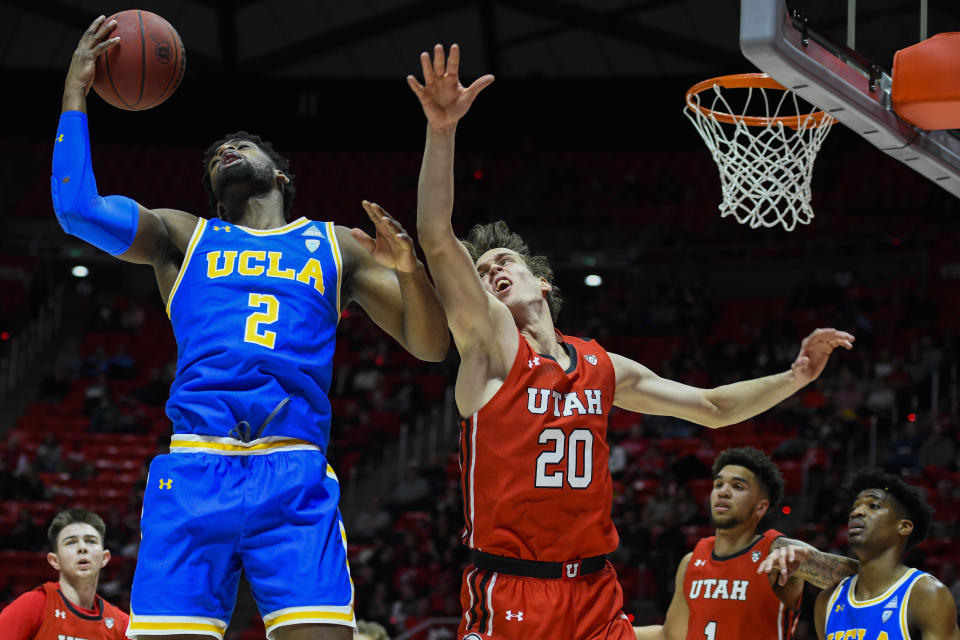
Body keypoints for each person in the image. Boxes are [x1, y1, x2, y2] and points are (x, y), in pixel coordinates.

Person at [406, 43, 855, 640]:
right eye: (482, 271)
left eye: (503, 261)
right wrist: (442, 130)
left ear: (541, 281)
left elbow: (715, 408)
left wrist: (796, 375)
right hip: (514, 585)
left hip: (595, 589)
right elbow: (437, 237)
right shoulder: (489, 349)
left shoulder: (599, 365)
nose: (491, 274)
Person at [53, 16, 450, 640]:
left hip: (292, 472)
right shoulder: (184, 236)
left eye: (239, 146)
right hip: (196, 468)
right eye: (214, 157)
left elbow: (430, 347)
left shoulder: (335, 244)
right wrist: (77, 89)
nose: (224, 153)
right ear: (212, 191)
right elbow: (76, 210)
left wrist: (410, 271)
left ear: (281, 175)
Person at [632, 447, 857, 640]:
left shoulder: (777, 552)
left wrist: (810, 561)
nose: (723, 492)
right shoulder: (691, 561)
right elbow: (670, 635)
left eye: (737, 487)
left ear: (760, 507)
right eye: (718, 484)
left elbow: (862, 578)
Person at [760, 468, 960, 640]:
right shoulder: (827, 601)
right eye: (854, 507)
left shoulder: (926, 594)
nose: (856, 513)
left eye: (873, 506)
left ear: (904, 526)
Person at [0, 509, 129, 640]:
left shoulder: (120, 624)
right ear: (55, 560)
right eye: (71, 542)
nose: (82, 548)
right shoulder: (33, 605)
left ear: (104, 557)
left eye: (91, 541)